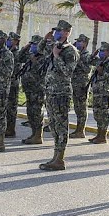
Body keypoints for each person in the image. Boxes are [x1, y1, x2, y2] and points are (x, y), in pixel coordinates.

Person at [39, 20, 79, 170]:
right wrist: (45, 39)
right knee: (54, 125)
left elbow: (68, 72)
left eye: (60, 30)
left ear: (67, 32)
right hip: (50, 92)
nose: (56, 33)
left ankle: (60, 158)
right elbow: (39, 49)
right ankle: (55, 157)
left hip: (61, 93)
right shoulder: (55, 47)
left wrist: (57, 57)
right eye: (56, 30)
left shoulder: (70, 51)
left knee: (61, 125)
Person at [20, 34, 47, 145]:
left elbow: (41, 71)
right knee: (30, 112)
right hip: (29, 89)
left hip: (38, 89)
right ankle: (33, 133)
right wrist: (26, 47)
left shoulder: (44, 57)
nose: (33, 46)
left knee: (37, 112)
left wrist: (35, 61)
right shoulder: (30, 55)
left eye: (35, 44)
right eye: (32, 44)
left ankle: (38, 135)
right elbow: (19, 58)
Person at [88, 41, 109, 144]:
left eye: (103, 51)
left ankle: (103, 136)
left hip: (104, 93)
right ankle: (98, 134)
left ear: (108, 52)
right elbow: (88, 61)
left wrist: (102, 73)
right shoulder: (98, 62)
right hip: (96, 92)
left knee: (104, 115)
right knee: (97, 114)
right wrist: (93, 54)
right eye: (100, 51)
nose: (101, 53)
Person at [69, 33, 93, 139]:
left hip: (82, 85)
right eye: (77, 41)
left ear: (85, 44)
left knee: (82, 108)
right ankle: (78, 129)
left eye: (80, 41)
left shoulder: (86, 56)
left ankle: (80, 130)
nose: (77, 43)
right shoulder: (77, 53)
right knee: (77, 107)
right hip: (75, 84)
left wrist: (78, 61)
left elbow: (87, 69)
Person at [5, 32, 23, 137]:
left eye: (10, 40)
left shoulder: (16, 53)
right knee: (7, 107)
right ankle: (8, 128)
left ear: (16, 41)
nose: (8, 41)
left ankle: (11, 129)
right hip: (8, 83)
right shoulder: (9, 52)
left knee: (11, 107)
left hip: (13, 83)